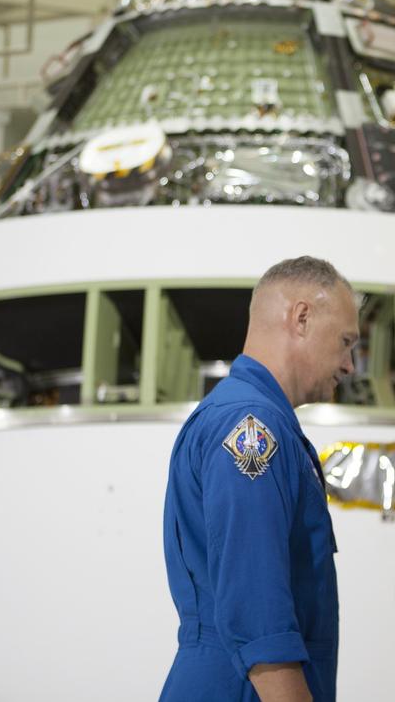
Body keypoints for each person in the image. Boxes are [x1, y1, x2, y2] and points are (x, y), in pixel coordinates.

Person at [160, 256, 359, 702]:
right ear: (302, 317)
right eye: (346, 342)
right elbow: (258, 617)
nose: (350, 366)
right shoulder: (251, 426)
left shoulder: (261, 421)